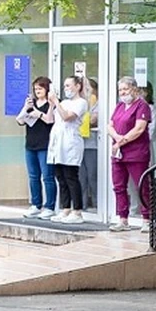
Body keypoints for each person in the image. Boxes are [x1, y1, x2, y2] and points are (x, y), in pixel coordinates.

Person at [107, 77, 152, 232]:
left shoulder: (142, 106)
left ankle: (147, 218)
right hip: (118, 153)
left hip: (136, 153)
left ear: (134, 89)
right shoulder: (119, 106)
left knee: (141, 186)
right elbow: (110, 125)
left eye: (125, 89)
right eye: (120, 90)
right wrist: (117, 138)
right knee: (119, 186)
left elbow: (139, 129)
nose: (123, 93)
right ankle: (123, 219)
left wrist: (120, 141)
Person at [46, 76, 88, 223]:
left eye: (69, 85)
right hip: (58, 142)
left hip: (70, 142)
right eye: (65, 86)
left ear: (78, 86)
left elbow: (67, 117)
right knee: (60, 177)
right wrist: (52, 104)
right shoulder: (64, 102)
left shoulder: (81, 103)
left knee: (71, 177)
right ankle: (65, 209)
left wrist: (56, 102)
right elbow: (50, 119)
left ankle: (77, 211)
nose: (66, 89)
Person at [16, 76, 56, 219]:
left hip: (45, 145)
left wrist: (38, 113)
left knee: (47, 176)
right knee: (33, 176)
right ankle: (36, 204)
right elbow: (20, 120)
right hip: (31, 144)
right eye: (35, 89)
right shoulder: (31, 103)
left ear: (47, 89)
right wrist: (26, 108)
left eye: (40, 88)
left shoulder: (52, 104)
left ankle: (50, 206)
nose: (37, 91)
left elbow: (49, 120)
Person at [79, 78, 99, 211]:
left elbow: (93, 120)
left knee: (92, 175)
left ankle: (98, 204)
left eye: (88, 88)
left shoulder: (99, 103)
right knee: (81, 177)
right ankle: (83, 204)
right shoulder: (80, 103)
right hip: (80, 144)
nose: (86, 91)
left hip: (94, 144)